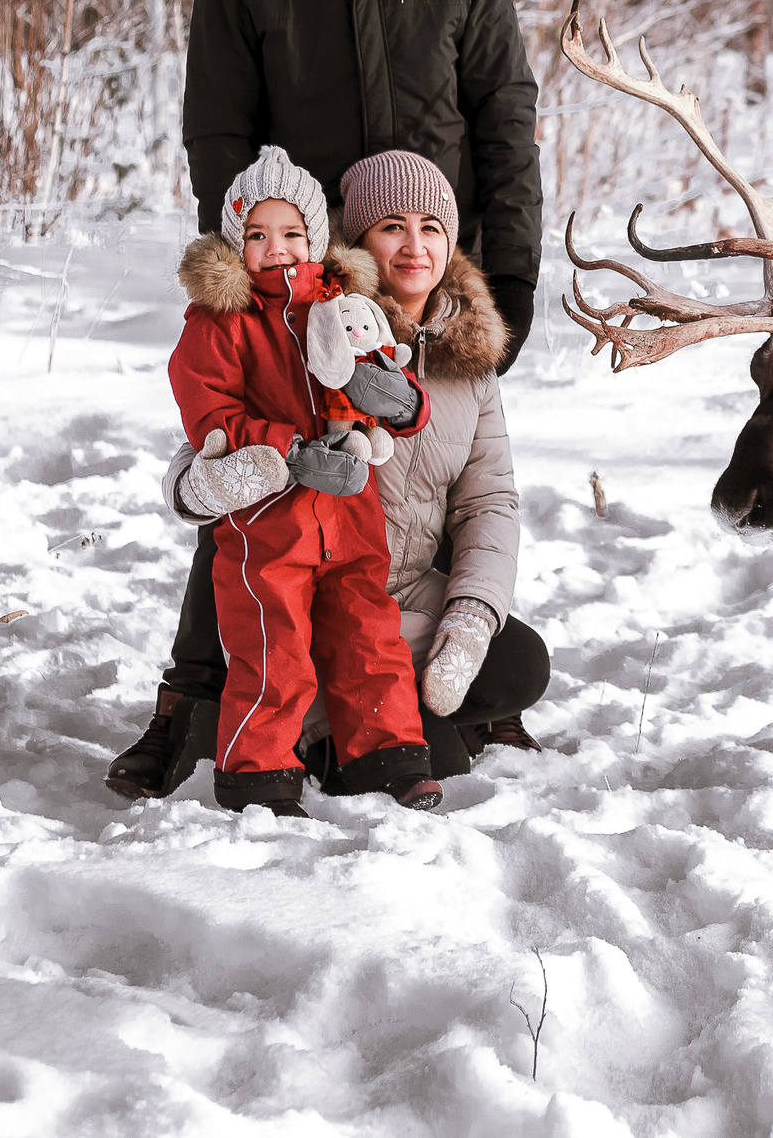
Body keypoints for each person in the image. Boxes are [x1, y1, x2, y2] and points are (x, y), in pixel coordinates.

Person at [106, 0, 543, 800]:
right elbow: (219, 131)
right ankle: (189, 700)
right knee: (259, 479)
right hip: (299, 285)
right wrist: (262, 274)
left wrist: (508, 284)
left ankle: (390, 691)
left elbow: (505, 121)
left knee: (416, 479)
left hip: (423, 268)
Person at [161, 149, 548, 783]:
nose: (414, 246)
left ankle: (374, 721)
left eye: (431, 227)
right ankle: (313, 729)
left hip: (392, 591)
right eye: (392, 226)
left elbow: (490, 502)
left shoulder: (469, 363)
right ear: (358, 240)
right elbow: (205, 436)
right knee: (434, 751)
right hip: (305, 582)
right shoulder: (311, 323)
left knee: (518, 662)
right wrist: (208, 480)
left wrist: (472, 616)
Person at [167, 146, 440, 816]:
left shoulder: (344, 305)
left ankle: (389, 755)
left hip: (350, 513)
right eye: (257, 235)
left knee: (368, 636)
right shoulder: (220, 323)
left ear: (315, 238)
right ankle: (258, 775)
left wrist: (400, 401)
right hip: (268, 523)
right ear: (237, 242)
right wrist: (288, 448)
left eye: (291, 233)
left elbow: (385, 372)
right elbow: (213, 415)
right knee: (272, 647)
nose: (276, 248)